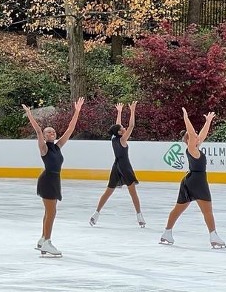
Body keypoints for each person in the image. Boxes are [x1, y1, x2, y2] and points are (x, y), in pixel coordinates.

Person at [22, 97, 84, 258]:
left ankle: (43, 238)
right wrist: (30, 114)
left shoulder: (57, 146)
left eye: (53, 131)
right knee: (51, 212)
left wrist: (77, 111)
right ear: (44, 135)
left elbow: (70, 130)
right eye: (48, 132)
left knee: (49, 212)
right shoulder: (44, 148)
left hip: (55, 180)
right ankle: (48, 241)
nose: (52, 133)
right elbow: (37, 131)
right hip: (47, 180)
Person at [160, 108, 225, 248]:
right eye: (194, 134)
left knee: (178, 209)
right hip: (197, 181)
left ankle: (167, 233)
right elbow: (191, 133)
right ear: (189, 139)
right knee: (207, 210)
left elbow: (202, 135)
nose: (197, 135)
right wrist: (186, 117)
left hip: (190, 181)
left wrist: (208, 121)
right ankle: (213, 236)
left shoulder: (195, 147)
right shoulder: (191, 148)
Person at [89, 102, 144, 228]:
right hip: (125, 167)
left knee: (108, 191)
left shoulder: (114, 138)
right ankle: (139, 216)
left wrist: (119, 112)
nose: (124, 128)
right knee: (133, 193)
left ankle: (96, 214)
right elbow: (132, 125)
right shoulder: (122, 139)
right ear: (120, 132)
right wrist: (133, 111)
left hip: (116, 166)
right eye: (122, 128)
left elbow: (117, 126)